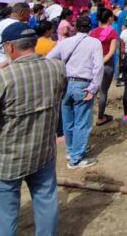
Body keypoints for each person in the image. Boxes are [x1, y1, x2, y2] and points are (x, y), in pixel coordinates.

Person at [0, 22, 66, 235]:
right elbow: (59, 97)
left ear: (10, 47)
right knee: (46, 203)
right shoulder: (57, 68)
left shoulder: (0, 79)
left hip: (7, 159)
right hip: (43, 151)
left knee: (4, 215)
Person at [47, 15, 103, 169]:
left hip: (66, 84)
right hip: (83, 84)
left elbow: (49, 58)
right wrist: (93, 88)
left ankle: (71, 151)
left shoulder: (65, 43)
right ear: (90, 27)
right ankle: (76, 159)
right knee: (82, 122)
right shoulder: (94, 43)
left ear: (76, 27)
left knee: (68, 121)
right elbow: (98, 67)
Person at [90, 10, 118, 126]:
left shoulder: (93, 32)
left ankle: (87, 116)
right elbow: (111, 52)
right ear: (109, 19)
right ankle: (100, 117)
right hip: (107, 65)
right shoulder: (112, 33)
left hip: (94, 65)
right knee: (103, 92)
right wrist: (101, 63)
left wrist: (96, 63)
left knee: (92, 91)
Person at [0, 3, 30, 68]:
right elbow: (20, 51)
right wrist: (0, 67)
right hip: (13, 65)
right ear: (23, 12)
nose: (29, 16)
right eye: (28, 13)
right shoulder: (20, 27)